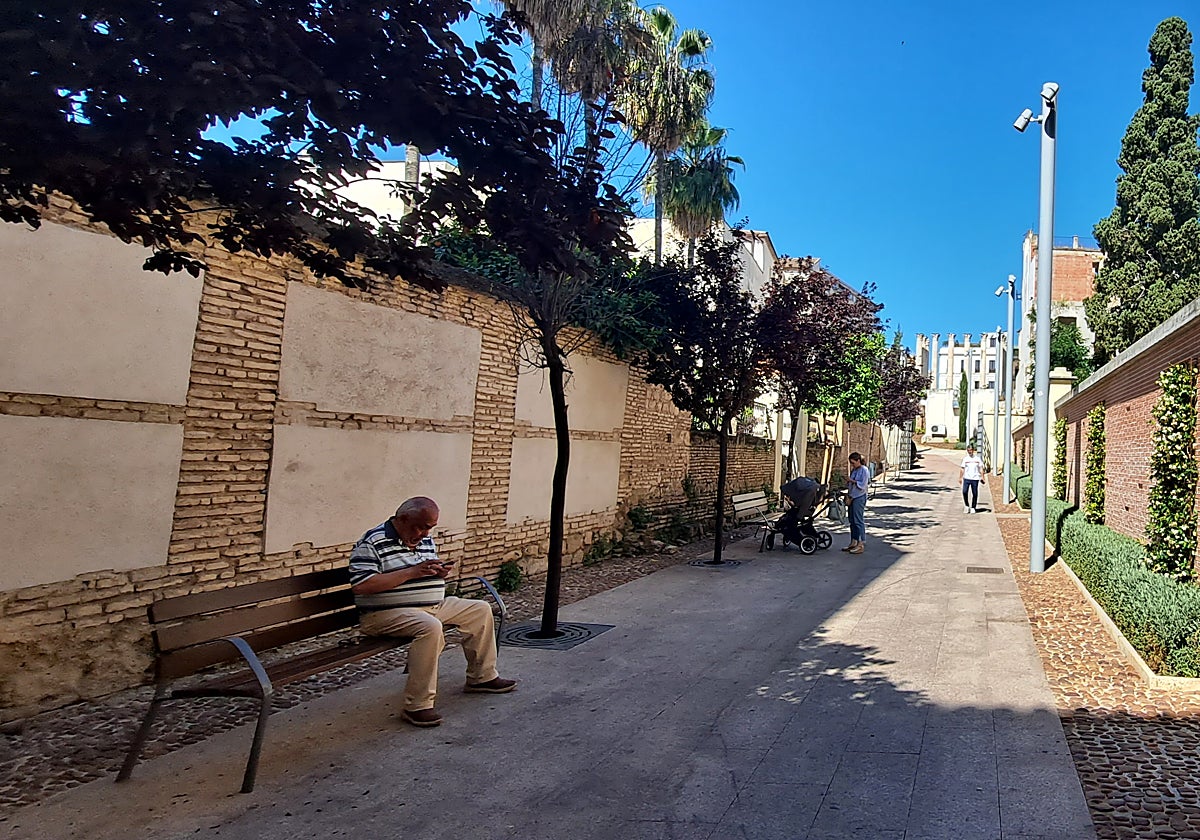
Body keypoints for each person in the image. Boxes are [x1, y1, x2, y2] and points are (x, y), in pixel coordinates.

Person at [349, 496, 516, 728]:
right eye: (422, 526)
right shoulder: (373, 541)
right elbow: (362, 585)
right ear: (403, 519)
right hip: (385, 614)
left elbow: (422, 569)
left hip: (431, 606)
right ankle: (417, 705)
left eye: (431, 527)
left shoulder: (424, 540)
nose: (426, 534)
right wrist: (412, 572)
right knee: (429, 627)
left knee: (479, 609)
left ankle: (482, 677)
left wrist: (437, 572)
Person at [842, 452, 870, 554]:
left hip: (859, 497)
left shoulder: (864, 470)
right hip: (852, 496)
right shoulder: (854, 470)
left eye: (853, 463)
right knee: (852, 520)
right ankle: (853, 541)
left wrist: (852, 481)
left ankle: (861, 543)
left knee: (858, 520)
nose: (852, 465)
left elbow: (862, 484)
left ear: (858, 461)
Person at [960, 445, 984, 513]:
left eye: (970, 450)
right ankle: (967, 506)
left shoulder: (977, 459)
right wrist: (960, 477)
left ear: (973, 450)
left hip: (975, 478)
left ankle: (973, 507)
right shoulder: (965, 459)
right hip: (967, 478)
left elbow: (981, 468)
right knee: (964, 491)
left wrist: (982, 477)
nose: (969, 452)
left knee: (975, 493)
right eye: (968, 450)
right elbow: (962, 468)